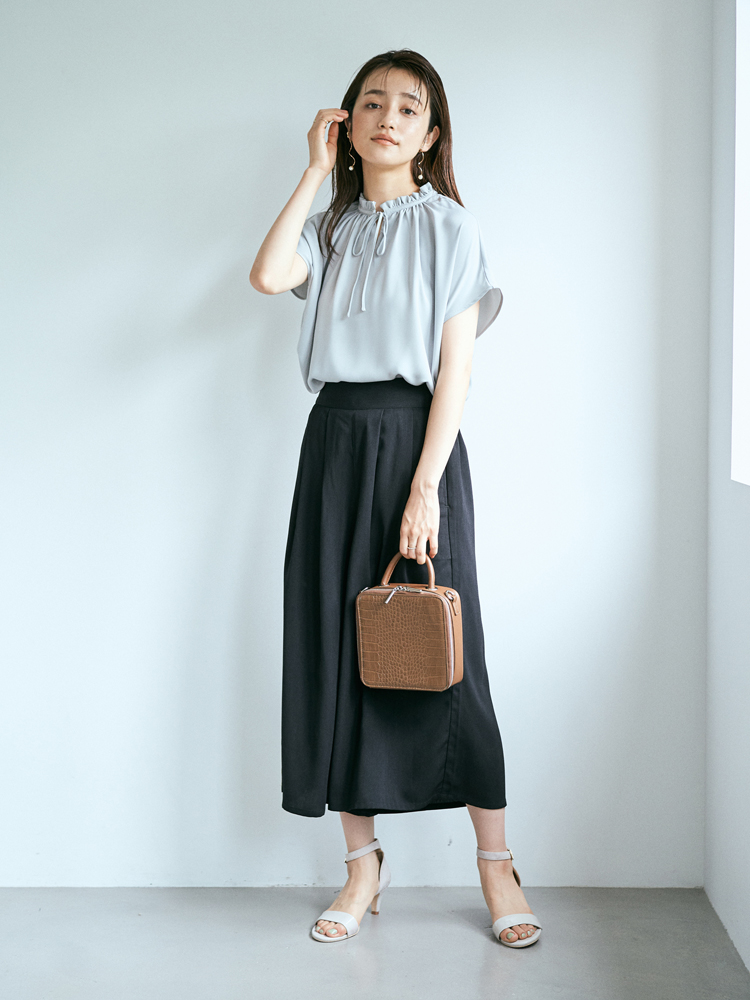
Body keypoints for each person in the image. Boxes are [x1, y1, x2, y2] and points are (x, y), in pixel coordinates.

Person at [249, 48, 542, 949]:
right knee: (339, 650)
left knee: (451, 654)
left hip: (419, 444)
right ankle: (362, 866)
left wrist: (424, 490)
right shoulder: (330, 228)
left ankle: (496, 864)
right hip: (334, 447)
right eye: (371, 104)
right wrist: (312, 172)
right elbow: (268, 276)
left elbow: (456, 373)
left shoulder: (451, 227)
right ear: (346, 125)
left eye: (409, 107)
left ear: (431, 132)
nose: (389, 118)